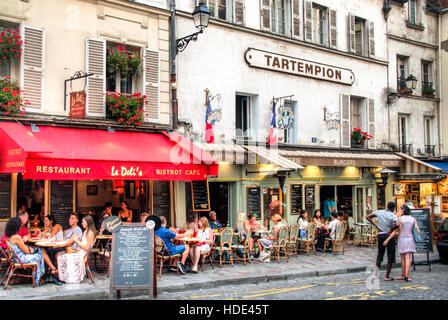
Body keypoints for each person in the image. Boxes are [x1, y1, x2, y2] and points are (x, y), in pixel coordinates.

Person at [5, 217, 56, 286]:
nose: (21, 226)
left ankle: (40, 276)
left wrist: (28, 248)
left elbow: (20, 248)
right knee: (40, 254)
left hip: (16, 259)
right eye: (20, 225)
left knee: (40, 251)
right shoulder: (17, 237)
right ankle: (39, 278)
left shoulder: (9, 237)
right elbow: (26, 252)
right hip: (21, 259)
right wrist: (28, 249)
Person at [383, 205, 420, 282]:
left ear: (402, 211)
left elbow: (396, 230)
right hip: (410, 238)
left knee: (402, 257)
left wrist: (387, 239)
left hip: (402, 239)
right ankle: (407, 275)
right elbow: (418, 231)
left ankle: (403, 275)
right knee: (408, 258)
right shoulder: (413, 219)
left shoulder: (400, 219)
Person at [57, 215, 96, 284]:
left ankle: (70, 277)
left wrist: (77, 241)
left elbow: (87, 248)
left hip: (83, 255)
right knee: (60, 256)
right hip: (80, 251)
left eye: (84, 222)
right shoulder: (85, 231)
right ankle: (66, 276)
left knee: (62, 257)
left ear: (88, 223)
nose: (82, 224)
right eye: (82, 222)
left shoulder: (90, 233)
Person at [366, 201, 399, 281]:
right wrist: (391, 229)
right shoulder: (393, 215)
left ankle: (375, 274)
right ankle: (387, 275)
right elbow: (397, 224)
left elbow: (368, 216)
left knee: (380, 254)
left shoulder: (380, 212)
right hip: (388, 235)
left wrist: (376, 225)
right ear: (394, 208)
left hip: (380, 234)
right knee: (390, 255)